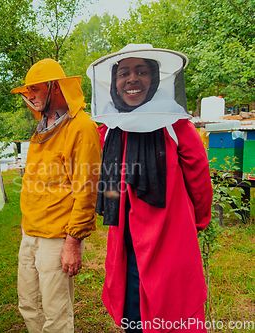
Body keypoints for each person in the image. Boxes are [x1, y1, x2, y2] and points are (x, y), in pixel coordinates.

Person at [87, 44, 212, 333]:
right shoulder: (108, 128)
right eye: (124, 73)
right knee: (133, 308)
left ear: (155, 80)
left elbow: (199, 176)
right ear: (114, 83)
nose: (132, 79)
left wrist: (198, 221)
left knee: (173, 307)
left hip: (170, 237)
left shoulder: (175, 124)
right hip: (125, 239)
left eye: (141, 71)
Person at [10, 58, 101, 332]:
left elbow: (86, 191)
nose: (29, 95)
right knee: (28, 304)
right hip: (31, 233)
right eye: (27, 90)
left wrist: (73, 242)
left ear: (55, 87)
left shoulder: (82, 127)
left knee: (56, 313)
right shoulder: (45, 124)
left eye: (34, 89)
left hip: (58, 237)